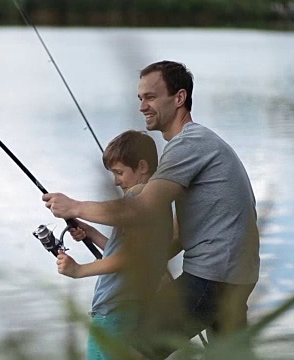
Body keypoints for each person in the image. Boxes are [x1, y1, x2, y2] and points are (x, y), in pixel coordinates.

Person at [43, 60, 260, 359]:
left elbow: (141, 209)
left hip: (213, 275)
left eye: (151, 97)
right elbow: (183, 232)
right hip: (233, 275)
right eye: (140, 98)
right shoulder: (198, 143)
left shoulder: (189, 144)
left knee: (134, 347)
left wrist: (74, 206)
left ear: (179, 98)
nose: (143, 106)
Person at [55, 130, 172, 360]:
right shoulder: (159, 204)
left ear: (142, 167)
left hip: (113, 310)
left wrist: (79, 270)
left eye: (119, 173)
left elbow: (128, 258)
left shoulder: (137, 198)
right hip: (130, 307)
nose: (116, 181)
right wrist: (90, 232)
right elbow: (128, 252)